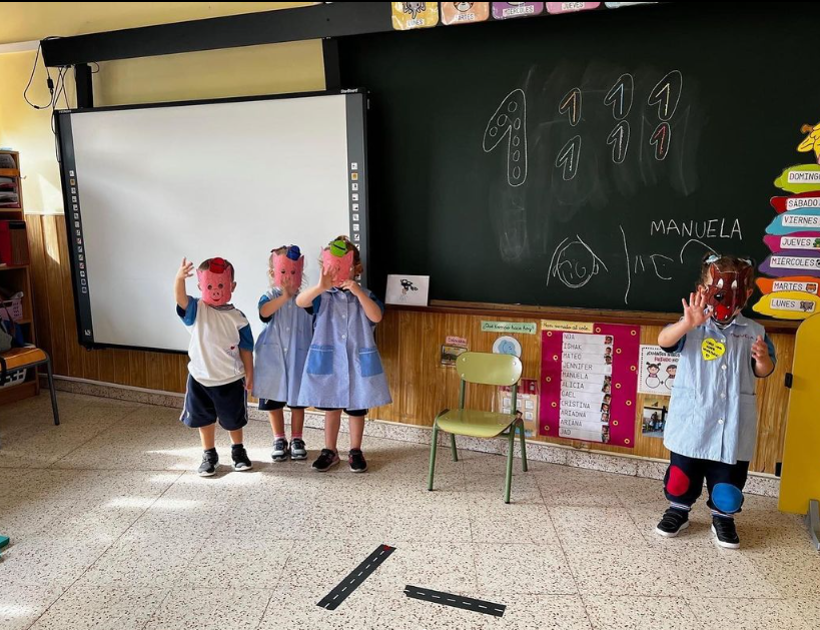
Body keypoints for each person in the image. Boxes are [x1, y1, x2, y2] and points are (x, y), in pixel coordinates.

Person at [655, 254, 775, 549]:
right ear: (702, 289)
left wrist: (762, 360)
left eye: (736, 290)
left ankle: (723, 517)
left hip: (732, 423)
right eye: (717, 288)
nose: (725, 296)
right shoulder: (692, 326)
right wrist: (685, 323)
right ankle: (678, 510)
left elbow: (764, 371)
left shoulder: (754, 333)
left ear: (747, 294)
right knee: (680, 479)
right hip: (693, 421)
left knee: (728, 489)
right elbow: (664, 340)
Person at [296, 236, 392, 473]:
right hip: (330, 363)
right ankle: (330, 450)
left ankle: (355, 450)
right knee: (331, 407)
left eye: (341, 268)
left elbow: (376, 317)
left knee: (357, 408)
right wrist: (320, 286)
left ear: (355, 268)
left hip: (357, 362)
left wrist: (359, 293)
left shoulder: (365, 295)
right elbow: (300, 302)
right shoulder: (322, 297)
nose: (335, 273)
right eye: (330, 268)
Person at [175, 257, 254, 477]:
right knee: (203, 419)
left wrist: (250, 373)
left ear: (232, 286)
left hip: (230, 379)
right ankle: (209, 454)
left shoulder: (238, 318)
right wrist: (179, 279)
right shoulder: (196, 310)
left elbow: (246, 349)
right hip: (200, 379)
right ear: (201, 287)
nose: (216, 290)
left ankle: (238, 450)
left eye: (221, 285)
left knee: (233, 419)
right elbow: (181, 300)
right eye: (210, 286)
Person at [253, 245, 313, 462]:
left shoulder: (306, 298)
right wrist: (284, 296)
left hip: (298, 357)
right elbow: (264, 313)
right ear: (273, 274)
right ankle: (279, 438)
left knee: (298, 401)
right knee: (274, 402)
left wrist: (293, 296)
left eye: (294, 273)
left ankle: (297, 438)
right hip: (273, 360)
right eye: (284, 272)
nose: (289, 277)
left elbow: (312, 313)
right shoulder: (268, 296)